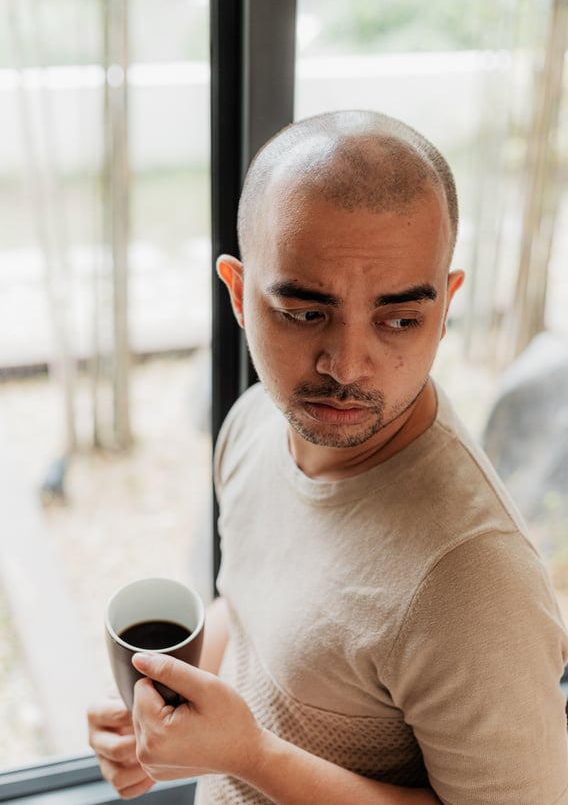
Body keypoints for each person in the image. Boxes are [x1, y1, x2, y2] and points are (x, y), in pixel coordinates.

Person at [88, 110, 568, 804]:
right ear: (238, 295)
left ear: (445, 307)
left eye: (399, 319)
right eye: (304, 312)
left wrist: (250, 754)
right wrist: (174, 725)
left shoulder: (473, 581)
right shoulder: (255, 424)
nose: (347, 366)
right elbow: (254, 609)